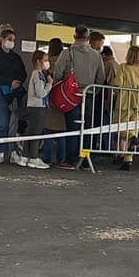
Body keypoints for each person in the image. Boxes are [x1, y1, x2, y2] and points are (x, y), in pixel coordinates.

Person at [53, 26, 105, 169]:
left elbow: (57, 73)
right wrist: (94, 91)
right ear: (88, 38)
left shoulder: (67, 53)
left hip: (71, 96)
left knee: (73, 128)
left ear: (74, 36)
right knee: (88, 128)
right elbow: (101, 77)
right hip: (89, 95)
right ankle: (85, 159)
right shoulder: (96, 55)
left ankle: (71, 160)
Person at [0, 29, 28, 165]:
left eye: (13, 40)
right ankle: (0, 151)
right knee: (2, 122)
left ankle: (13, 152)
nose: (12, 42)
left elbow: (23, 73)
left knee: (14, 124)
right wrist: (9, 82)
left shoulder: (16, 57)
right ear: (2, 39)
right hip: (0, 91)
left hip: (15, 93)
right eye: (9, 39)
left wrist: (18, 82)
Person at [113, 45, 139, 171]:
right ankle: (128, 160)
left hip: (125, 101)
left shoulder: (123, 68)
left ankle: (130, 138)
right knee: (134, 128)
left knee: (120, 126)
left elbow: (117, 84)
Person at [19, 49, 53, 169]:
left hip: (34, 106)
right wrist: (49, 84)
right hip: (38, 107)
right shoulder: (38, 74)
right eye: (45, 60)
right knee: (36, 132)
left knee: (30, 131)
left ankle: (25, 156)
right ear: (38, 61)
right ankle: (34, 158)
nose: (47, 62)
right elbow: (40, 93)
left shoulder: (37, 74)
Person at [42, 38, 67, 166]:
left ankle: (46, 158)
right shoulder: (64, 60)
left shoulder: (48, 62)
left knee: (48, 130)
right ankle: (61, 158)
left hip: (50, 97)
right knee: (61, 130)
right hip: (62, 98)